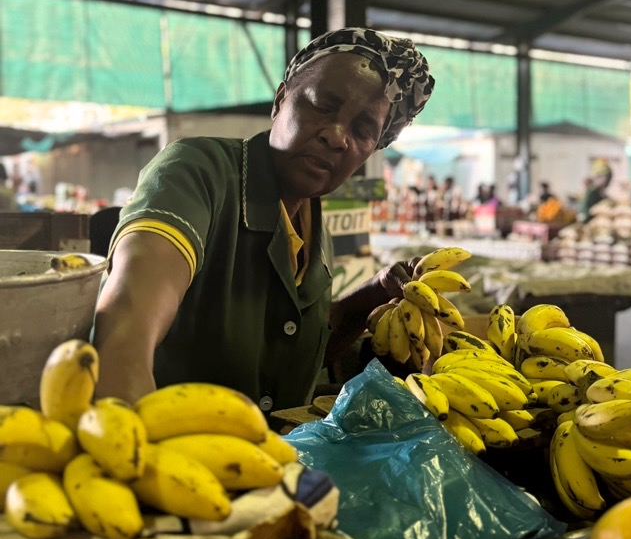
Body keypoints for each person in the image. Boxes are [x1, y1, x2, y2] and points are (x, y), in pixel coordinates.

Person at [92, 27, 435, 415]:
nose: (337, 137)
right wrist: (121, 410)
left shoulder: (313, 224)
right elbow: (135, 300)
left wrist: (373, 295)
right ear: (280, 100)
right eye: (323, 105)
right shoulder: (196, 173)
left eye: (362, 131)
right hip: (172, 445)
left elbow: (291, 343)